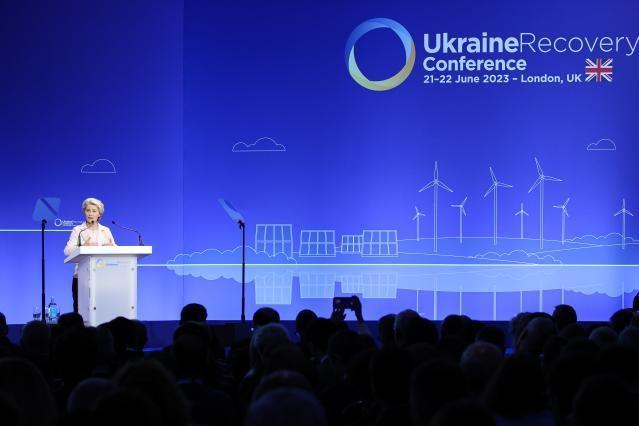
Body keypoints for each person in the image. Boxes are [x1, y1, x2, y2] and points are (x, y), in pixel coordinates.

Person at [63, 198, 116, 313]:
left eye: (94, 211)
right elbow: (67, 251)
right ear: (84, 212)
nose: (90, 214)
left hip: (102, 277)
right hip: (81, 277)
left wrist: (111, 248)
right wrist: (81, 247)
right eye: (88, 210)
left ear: (99, 214)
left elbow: (115, 249)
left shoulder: (105, 231)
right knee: (81, 312)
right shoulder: (78, 230)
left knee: (103, 311)